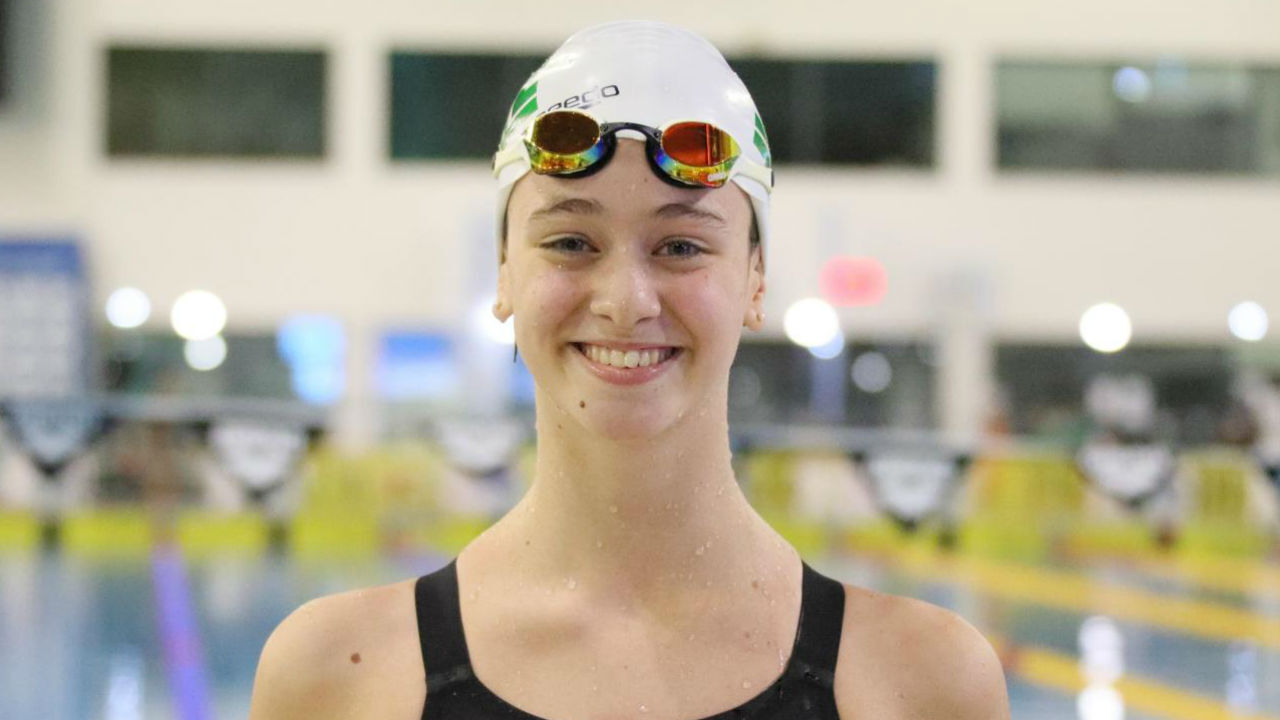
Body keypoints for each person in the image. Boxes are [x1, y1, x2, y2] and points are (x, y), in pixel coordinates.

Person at [249, 20, 1010, 719]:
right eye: (570, 243)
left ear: (755, 278)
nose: (626, 302)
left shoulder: (923, 685)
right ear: (504, 270)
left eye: (680, 247)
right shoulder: (336, 678)